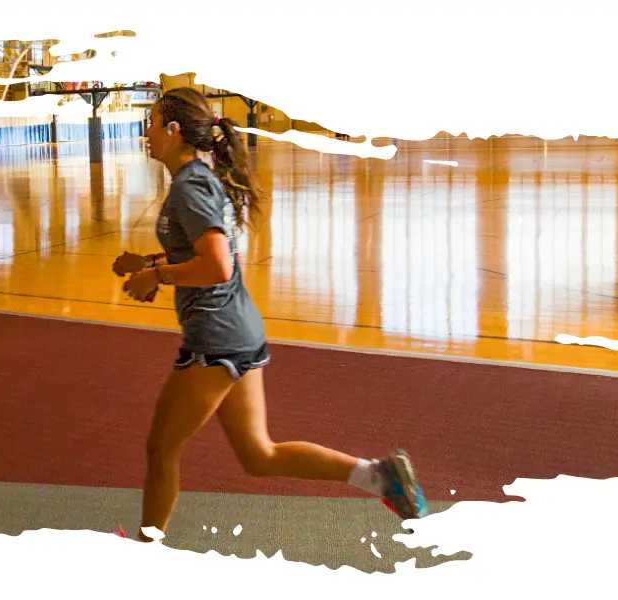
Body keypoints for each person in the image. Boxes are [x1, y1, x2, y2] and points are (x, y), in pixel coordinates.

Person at [112, 87, 427, 543]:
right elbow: (200, 250)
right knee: (260, 456)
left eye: (153, 123)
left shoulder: (189, 185)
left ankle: (145, 549)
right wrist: (148, 262)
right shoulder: (196, 178)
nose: (147, 132)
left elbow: (217, 265)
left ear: (174, 130)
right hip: (236, 331)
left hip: (216, 340)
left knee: (161, 448)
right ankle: (381, 478)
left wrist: (158, 274)